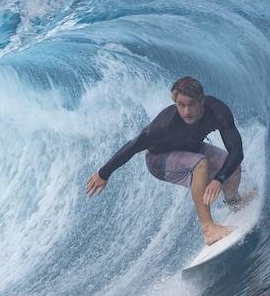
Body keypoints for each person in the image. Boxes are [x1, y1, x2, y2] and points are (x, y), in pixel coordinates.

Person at [86, 76, 247, 245]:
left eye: (191, 104)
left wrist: (218, 180)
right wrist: (103, 174)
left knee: (231, 165)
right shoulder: (165, 124)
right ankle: (208, 229)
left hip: (191, 149)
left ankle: (234, 203)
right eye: (181, 105)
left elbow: (237, 151)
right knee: (200, 164)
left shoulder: (217, 112)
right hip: (159, 161)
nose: (186, 111)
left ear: (201, 101)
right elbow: (133, 146)